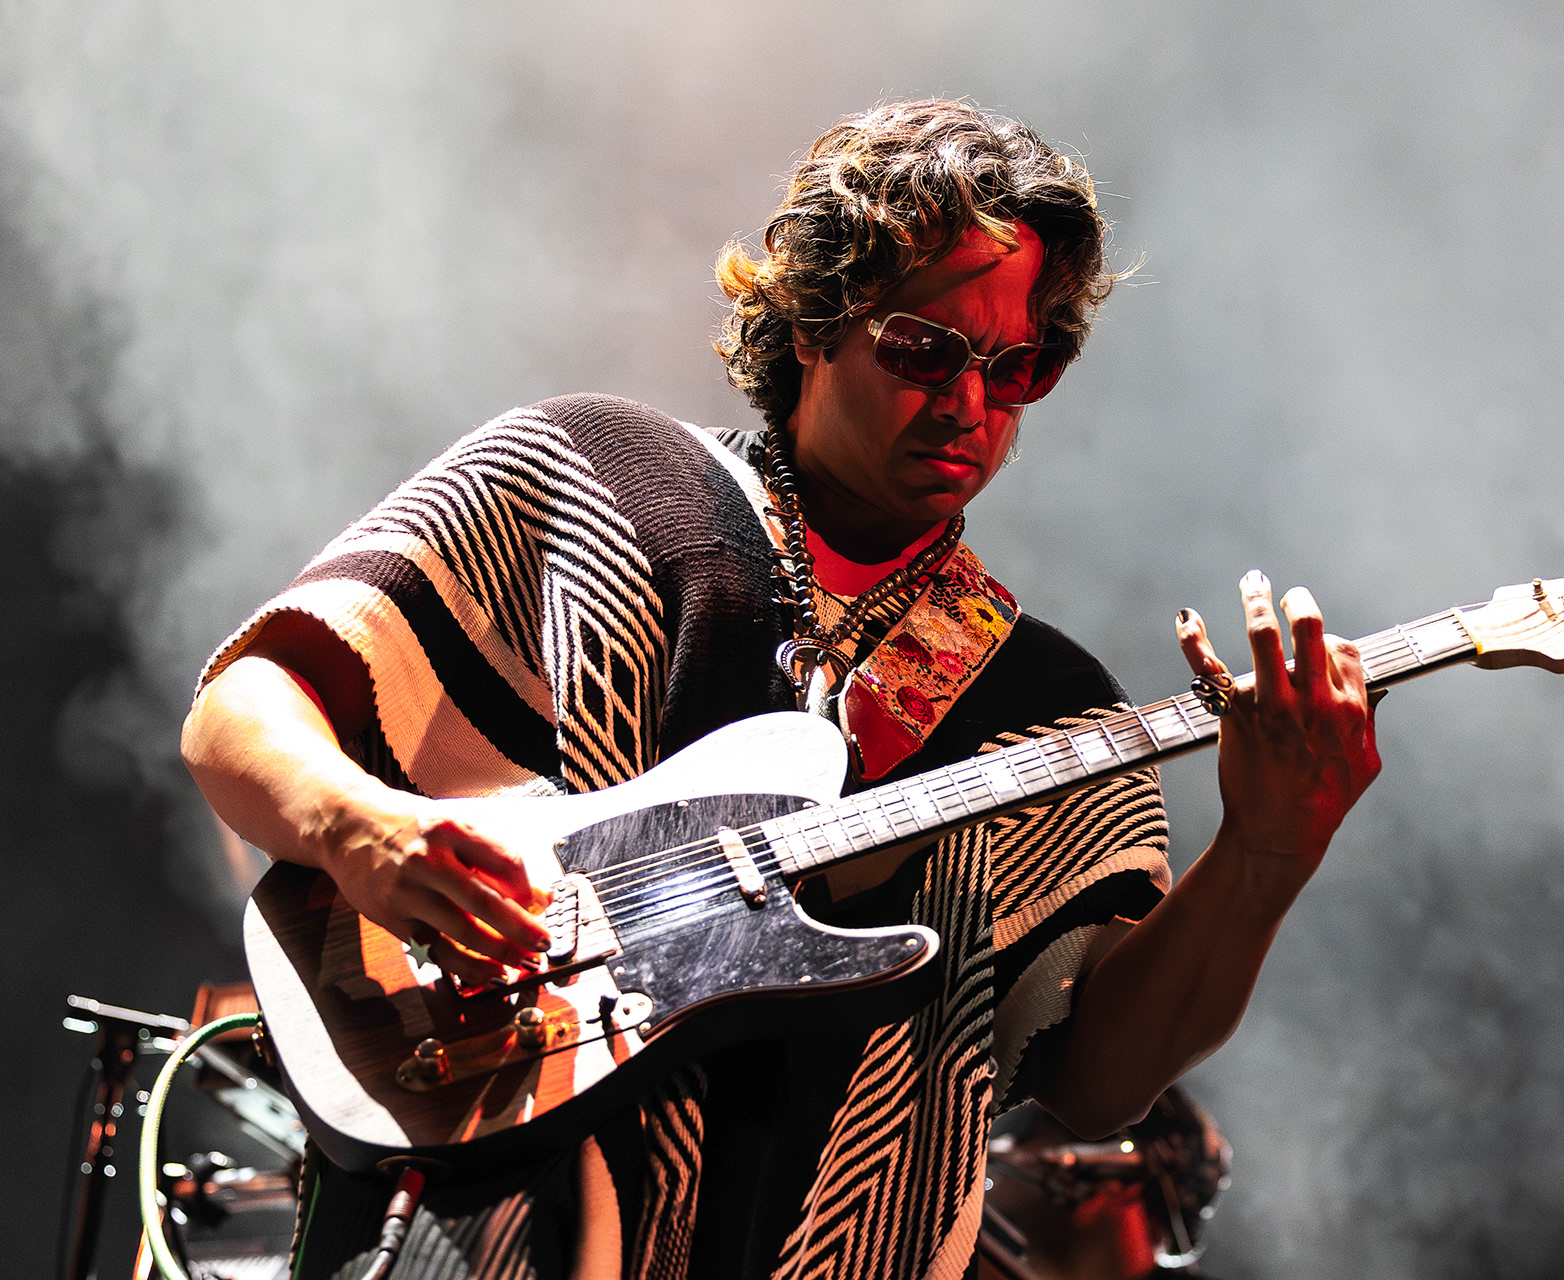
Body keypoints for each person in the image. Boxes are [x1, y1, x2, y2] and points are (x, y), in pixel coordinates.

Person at [181, 99, 1379, 1280]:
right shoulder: (587, 473)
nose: (970, 405)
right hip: (471, 1215)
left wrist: (1267, 853)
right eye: (924, 349)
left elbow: (1098, 1078)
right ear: (813, 318)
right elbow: (243, 703)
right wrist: (356, 825)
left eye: (1020, 367)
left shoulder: (1055, 703)